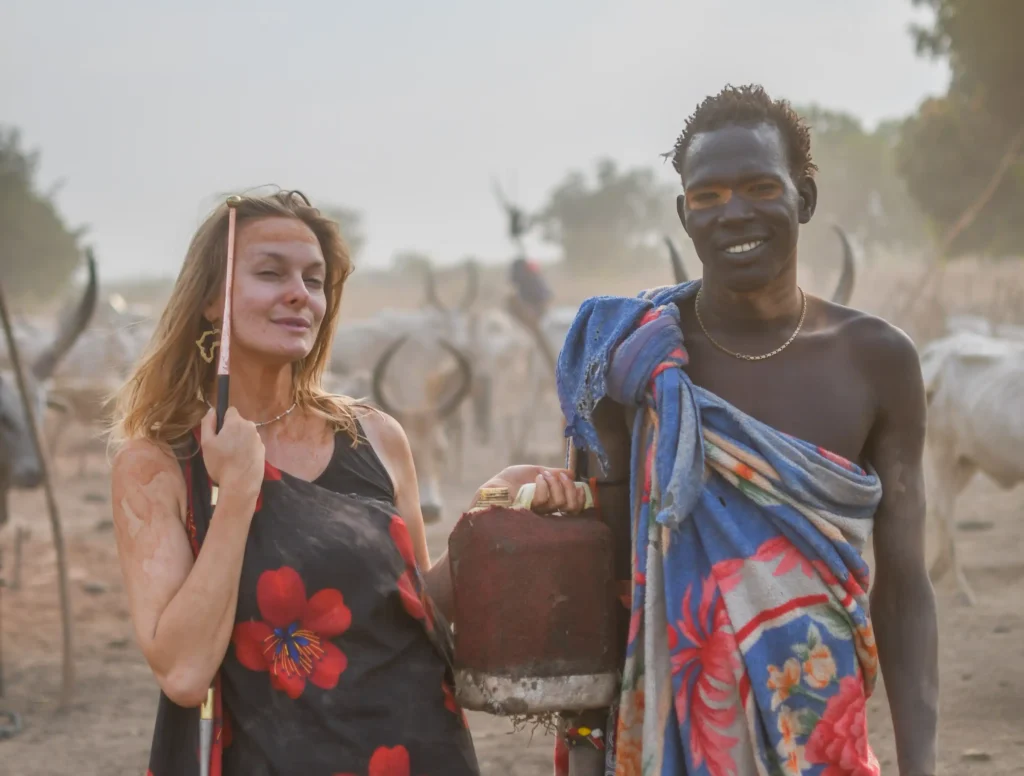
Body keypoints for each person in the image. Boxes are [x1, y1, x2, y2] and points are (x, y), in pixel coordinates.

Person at [108, 189, 587, 776]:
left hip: (414, 750)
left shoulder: (374, 437)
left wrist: (495, 508)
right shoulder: (158, 463)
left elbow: (414, 609)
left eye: (314, 281)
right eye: (269, 273)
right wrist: (236, 492)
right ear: (211, 299)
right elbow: (182, 673)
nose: (299, 295)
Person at [554, 86, 938, 775]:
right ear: (684, 214)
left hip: (823, 739)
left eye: (761, 186)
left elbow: (905, 584)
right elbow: (605, 582)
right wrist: (586, 750)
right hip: (668, 741)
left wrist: (922, 764)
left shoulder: (879, 360)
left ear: (806, 199)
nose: (735, 213)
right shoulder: (632, 363)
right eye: (708, 196)